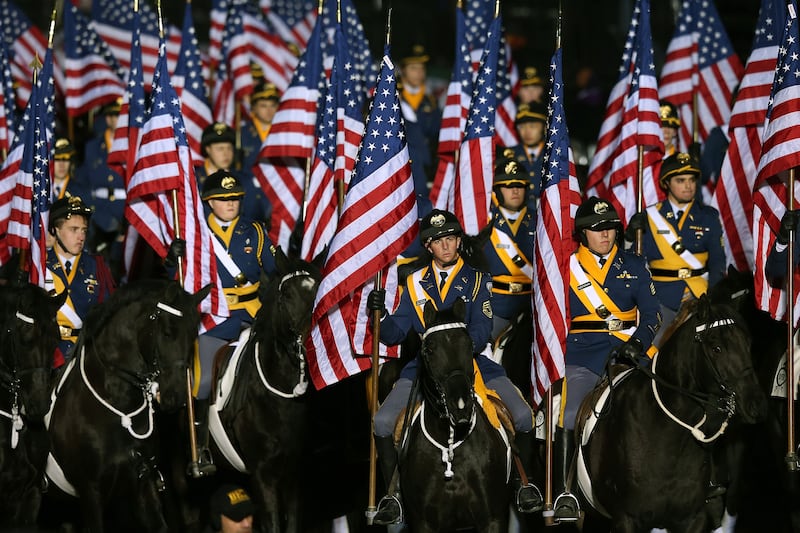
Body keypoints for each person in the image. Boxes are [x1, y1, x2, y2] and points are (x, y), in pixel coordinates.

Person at [366, 209, 543, 525]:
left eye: (451, 238)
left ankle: (522, 485)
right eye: (438, 241)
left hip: (470, 366)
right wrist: (378, 316)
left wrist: (456, 351)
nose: (446, 246)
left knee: (522, 414)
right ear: (428, 247)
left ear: (459, 241)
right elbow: (396, 332)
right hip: (423, 369)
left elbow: (482, 328)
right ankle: (393, 495)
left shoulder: (477, 280)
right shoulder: (415, 282)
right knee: (382, 422)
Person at [553, 196, 661, 522]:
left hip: (630, 354)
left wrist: (639, 344)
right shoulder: (565, 267)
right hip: (583, 356)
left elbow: (652, 316)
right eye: (597, 229)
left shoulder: (635, 264)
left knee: (671, 398)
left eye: (611, 228)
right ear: (582, 234)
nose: (605, 235)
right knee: (570, 413)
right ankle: (565, 491)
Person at [168, 170, 277, 473]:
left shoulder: (254, 231)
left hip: (254, 314)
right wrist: (170, 259)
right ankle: (201, 444)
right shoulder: (197, 236)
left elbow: (275, 268)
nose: (230, 204)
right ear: (209, 202)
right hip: (215, 317)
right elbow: (176, 282)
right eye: (223, 199)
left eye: (235, 199)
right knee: (202, 379)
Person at [626, 152, 725, 347]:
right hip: (662, 297)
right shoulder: (650, 216)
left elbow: (717, 263)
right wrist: (629, 237)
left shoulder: (708, 216)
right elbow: (633, 263)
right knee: (648, 349)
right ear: (666, 183)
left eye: (691, 180)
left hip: (701, 295)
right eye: (681, 180)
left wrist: (714, 298)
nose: (688, 186)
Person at [45, 196, 114, 368]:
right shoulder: (39, 265)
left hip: (85, 355)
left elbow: (107, 314)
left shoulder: (96, 266)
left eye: (83, 230)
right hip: (45, 354)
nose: (81, 236)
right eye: (73, 229)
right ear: (55, 230)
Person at [484, 157, 535, 339]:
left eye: (519, 185)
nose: (514, 190)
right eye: (508, 186)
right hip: (497, 305)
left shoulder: (541, 222)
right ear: (497, 190)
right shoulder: (483, 223)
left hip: (533, 303)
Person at [77, 98, 126, 280]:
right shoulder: (93, 147)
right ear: (107, 119)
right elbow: (83, 182)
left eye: (120, 115)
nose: (116, 120)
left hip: (125, 208)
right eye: (112, 115)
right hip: (99, 208)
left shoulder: (134, 146)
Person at [197, 122, 271, 227]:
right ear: (208, 149)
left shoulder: (245, 180)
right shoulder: (194, 180)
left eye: (229, 148)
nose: (226, 154)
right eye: (220, 149)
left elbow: (255, 216)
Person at [398, 44, 440, 219]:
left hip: (425, 170)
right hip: (400, 170)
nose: (419, 73)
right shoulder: (392, 98)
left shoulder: (430, 102)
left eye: (422, 68)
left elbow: (437, 136)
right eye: (413, 68)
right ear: (403, 70)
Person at [502, 102, 547, 207]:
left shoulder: (554, 155)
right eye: (522, 127)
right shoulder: (508, 155)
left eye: (532, 126)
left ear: (544, 128)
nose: (527, 132)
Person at [240, 81, 280, 172]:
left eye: (273, 105)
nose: (269, 110)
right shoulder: (241, 133)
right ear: (254, 107)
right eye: (263, 106)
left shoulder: (286, 133)